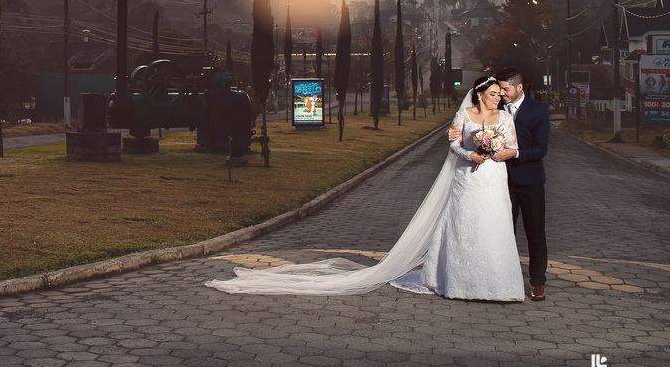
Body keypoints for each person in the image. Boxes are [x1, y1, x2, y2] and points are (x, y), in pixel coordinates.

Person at [205, 76, 524, 301]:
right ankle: (459, 283)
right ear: (480, 94)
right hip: (469, 178)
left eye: (500, 93)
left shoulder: (505, 117)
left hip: (494, 179)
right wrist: (471, 154)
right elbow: (453, 144)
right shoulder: (465, 115)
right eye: (493, 93)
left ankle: (499, 284)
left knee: (494, 226)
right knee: (465, 226)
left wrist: (498, 154)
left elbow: (514, 148)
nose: (498, 97)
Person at [493, 66, 551, 301]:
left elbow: (541, 148)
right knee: (503, 233)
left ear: (519, 87)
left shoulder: (539, 110)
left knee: (535, 233)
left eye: (505, 89)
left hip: (530, 182)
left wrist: (514, 153)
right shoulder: (494, 108)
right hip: (500, 181)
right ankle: (504, 279)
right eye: (499, 89)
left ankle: (538, 282)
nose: (501, 94)